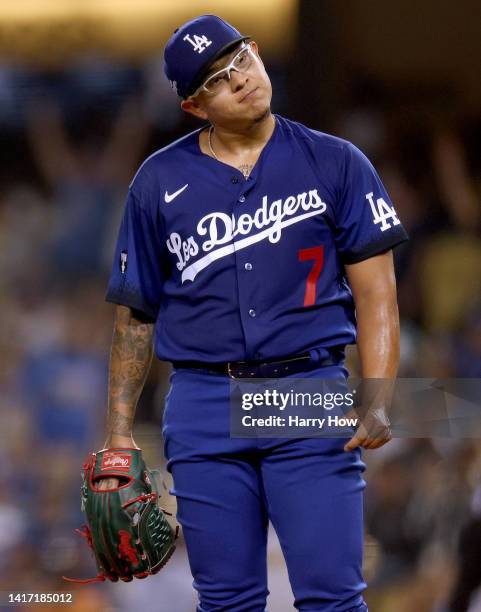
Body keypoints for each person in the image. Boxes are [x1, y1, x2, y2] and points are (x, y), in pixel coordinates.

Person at [101, 14, 408, 612]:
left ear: (259, 53)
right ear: (194, 106)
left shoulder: (335, 161)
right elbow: (135, 317)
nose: (240, 79)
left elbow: (378, 293)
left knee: (333, 599)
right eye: (217, 79)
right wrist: (118, 434)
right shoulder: (157, 182)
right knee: (227, 602)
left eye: (240, 58)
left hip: (305, 387)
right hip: (202, 399)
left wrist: (378, 393)